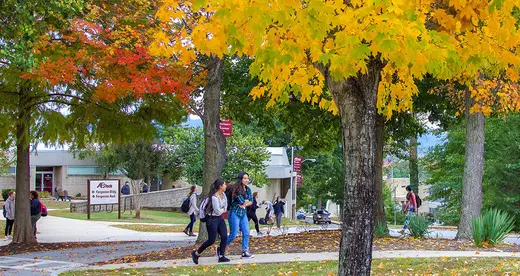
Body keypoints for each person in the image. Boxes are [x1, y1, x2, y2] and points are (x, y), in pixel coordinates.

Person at [191, 179, 230, 264]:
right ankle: (196, 253)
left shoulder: (223, 194)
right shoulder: (214, 197)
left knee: (224, 236)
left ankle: (221, 256)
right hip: (212, 219)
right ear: (220, 186)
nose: (226, 186)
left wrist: (222, 209)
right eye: (224, 184)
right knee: (211, 240)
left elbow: (226, 207)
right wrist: (223, 209)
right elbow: (218, 211)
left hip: (220, 219)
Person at [226, 172, 254, 259]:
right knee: (233, 234)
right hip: (234, 213)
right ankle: (221, 247)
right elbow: (241, 201)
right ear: (240, 179)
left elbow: (251, 201)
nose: (246, 180)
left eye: (247, 178)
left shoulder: (248, 189)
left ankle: (245, 251)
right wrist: (246, 202)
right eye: (244, 178)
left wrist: (245, 204)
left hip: (243, 213)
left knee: (246, 232)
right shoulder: (236, 189)